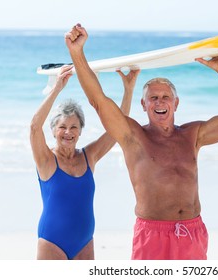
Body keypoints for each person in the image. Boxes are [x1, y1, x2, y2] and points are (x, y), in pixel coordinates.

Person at [65, 24, 218, 260]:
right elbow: (98, 101)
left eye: (165, 97)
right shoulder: (133, 136)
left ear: (176, 103)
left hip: (192, 233)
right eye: (153, 98)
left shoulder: (193, 135)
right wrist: (77, 53)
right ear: (144, 105)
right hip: (152, 234)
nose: (160, 102)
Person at [30, 64, 140, 260]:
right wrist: (57, 88)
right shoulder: (46, 159)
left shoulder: (89, 156)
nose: (68, 132)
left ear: (81, 130)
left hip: (85, 243)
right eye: (62, 127)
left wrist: (128, 89)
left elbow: (118, 129)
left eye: (74, 127)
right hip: (52, 243)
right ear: (54, 130)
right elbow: (34, 127)